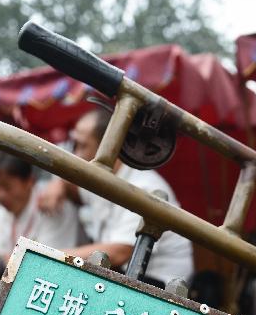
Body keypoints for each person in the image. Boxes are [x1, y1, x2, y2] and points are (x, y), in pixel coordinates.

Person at [38, 108, 193, 287]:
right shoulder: (103, 176)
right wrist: (59, 184)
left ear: (109, 146)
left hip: (160, 286)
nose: (77, 155)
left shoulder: (144, 186)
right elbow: (77, 193)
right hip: (125, 274)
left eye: (82, 146)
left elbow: (121, 251)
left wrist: (50, 256)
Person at [0, 150, 80, 268]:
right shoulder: (1, 211)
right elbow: (0, 259)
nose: (0, 195)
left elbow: (45, 265)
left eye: (7, 187)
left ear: (29, 181)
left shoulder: (54, 205)